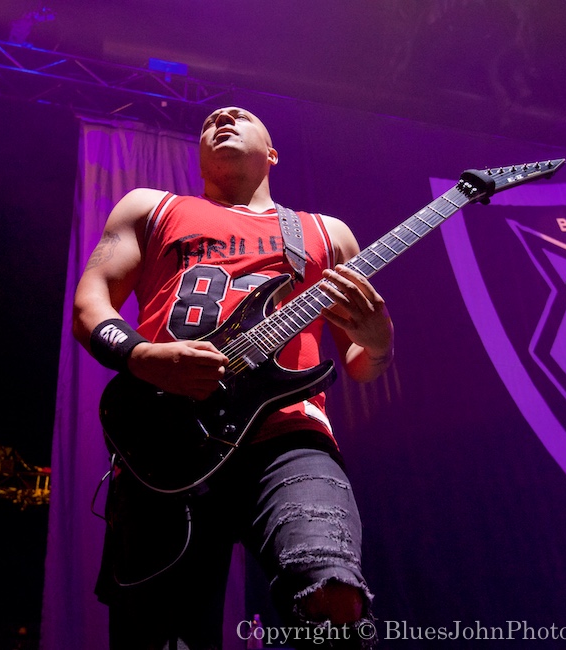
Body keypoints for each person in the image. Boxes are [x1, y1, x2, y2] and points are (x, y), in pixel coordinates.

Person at [72, 106, 394, 649]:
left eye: (240, 115)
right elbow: (91, 302)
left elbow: (362, 363)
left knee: (331, 594)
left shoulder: (326, 233)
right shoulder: (152, 208)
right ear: (198, 154)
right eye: (210, 120)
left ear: (271, 153)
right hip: (167, 439)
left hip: (290, 436)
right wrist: (141, 355)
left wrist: (380, 341)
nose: (222, 116)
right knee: (160, 632)